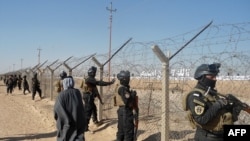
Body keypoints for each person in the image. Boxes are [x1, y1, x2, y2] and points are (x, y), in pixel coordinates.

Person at [183, 63, 241, 141]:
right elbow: (202, 120)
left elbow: (219, 114)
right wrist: (218, 105)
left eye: (215, 76)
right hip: (208, 136)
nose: (215, 79)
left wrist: (233, 109)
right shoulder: (196, 96)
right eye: (212, 77)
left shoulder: (211, 93)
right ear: (203, 78)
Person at [82, 66, 115, 131]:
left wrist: (100, 100)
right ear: (92, 73)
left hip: (89, 98)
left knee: (94, 109)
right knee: (88, 112)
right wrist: (110, 83)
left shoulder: (91, 81)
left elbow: (96, 92)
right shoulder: (89, 79)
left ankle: (95, 121)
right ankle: (85, 127)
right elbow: (99, 83)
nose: (95, 73)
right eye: (94, 72)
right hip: (88, 98)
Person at [54, 76, 86, 141]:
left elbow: (57, 110)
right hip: (78, 122)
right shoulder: (77, 93)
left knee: (65, 136)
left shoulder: (61, 95)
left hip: (66, 125)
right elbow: (81, 108)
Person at [114, 70, 139, 141]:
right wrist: (133, 95)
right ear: (124, 79)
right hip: (126, 112)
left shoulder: (120, 87)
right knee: (128, 133)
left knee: (121, 132)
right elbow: (127, 101)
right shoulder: (123, 88)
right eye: (128, 78)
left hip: (122, 112)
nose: (129, 80)